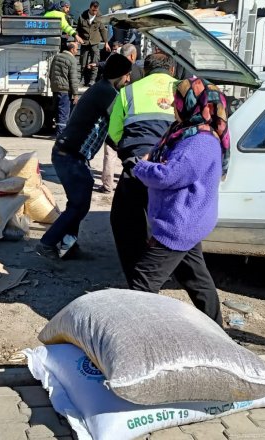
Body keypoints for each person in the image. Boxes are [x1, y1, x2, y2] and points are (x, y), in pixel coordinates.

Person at [126, 76, 230, 325]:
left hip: (180, 223)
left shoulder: (200, 141)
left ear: (193, 104)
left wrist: (141, 167)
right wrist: (151, 161)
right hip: (188, 219)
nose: (173, 106)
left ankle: (137, 334)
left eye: (177, 100)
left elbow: (170, 175)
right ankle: (216, 329)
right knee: (195, 278)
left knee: (142, 280)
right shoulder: (185, 131)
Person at [35, 55, 134, 260]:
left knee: (77, 202)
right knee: (80, 204)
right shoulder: (107, 93)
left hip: (70, 155)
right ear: (120, 76)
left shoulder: (102, 89)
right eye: (127, 76)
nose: (128, 80)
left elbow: (108, 133)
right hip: (69, 155)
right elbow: (118, 127)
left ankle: (68, 246)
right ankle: (47, 243)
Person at [107, 53, 177, 282]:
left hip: (137, 167)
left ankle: (136, 276)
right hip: (172, 169)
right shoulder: (182, 90)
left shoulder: (129, 91)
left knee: (126, 220)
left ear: (145, 71)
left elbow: (114, 133)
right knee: (170, 223)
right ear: (172, 70)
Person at [49, 40, 82, 139]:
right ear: (72, 49)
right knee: (64, 113)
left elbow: (51, 73)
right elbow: (73, 78)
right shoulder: (71, 60)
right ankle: (61, 136)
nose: (77, 51)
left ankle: (59, 133)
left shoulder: (57, 56)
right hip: (65, 90)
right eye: (76, 49)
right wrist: (76, 94)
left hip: (56, 89)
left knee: (58, 112)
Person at [76, 1, 110, 86]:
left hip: (95, 42)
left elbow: (103, 30)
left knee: (95, 62)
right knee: (83, 62)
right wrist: (76, 39)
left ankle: (92, 80)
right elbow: (78, 29)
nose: (95, 12)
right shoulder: (82, 16)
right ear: (90, 8)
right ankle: (83, 79)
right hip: (84, 42)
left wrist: (106, 42)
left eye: (96, 10)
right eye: (93, 10)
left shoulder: (99, 17)